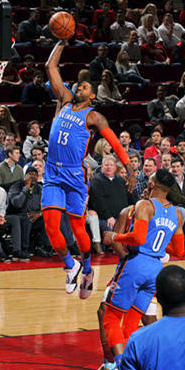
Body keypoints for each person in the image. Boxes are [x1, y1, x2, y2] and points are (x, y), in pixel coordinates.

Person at [43, 40, 136, 299]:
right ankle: (70, 266)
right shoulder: (63, 100)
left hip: (74, 174)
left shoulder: (94, 116)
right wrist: (61, 41)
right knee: (51, 227)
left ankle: (86, 268)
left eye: (84, 86)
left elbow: (115, 143)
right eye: (78, 85)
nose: (78, 87)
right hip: (52, 173)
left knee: (77, 227)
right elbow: (50, 66)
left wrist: (130, 169)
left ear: (92, 95)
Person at [99, 169, 184, 370]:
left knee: (110, 317)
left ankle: (123, 367)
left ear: (152, 184)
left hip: (137, 263)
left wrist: (114, 237)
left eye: (150, 178)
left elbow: (138, 238)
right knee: (130, 323)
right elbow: (179, 251)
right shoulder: (178, 214)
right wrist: (160, 244)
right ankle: (130, 365)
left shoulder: (145, 205)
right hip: (156, 269)